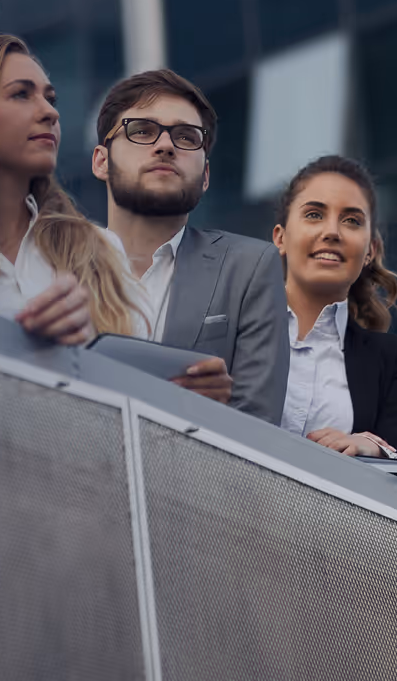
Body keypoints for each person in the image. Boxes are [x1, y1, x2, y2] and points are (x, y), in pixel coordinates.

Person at [93, 69, 289, 422]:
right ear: (101, 161)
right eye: (141, 131)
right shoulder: (53, 264)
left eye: (186, 137)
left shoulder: (249, 268)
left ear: (206, 177)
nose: (166, 145)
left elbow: (259, 425)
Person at [0, 35, 148, 345]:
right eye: (21, 94)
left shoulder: (98, 250)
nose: (50, 112)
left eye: (51, 98)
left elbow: (141, 378)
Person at [273, 155, 397, 460]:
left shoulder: (395, 360)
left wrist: (372, 448)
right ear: (281, 238)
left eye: (352, 220)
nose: (332, 232)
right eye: (314, 214)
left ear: (370, 251)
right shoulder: (228, 324)